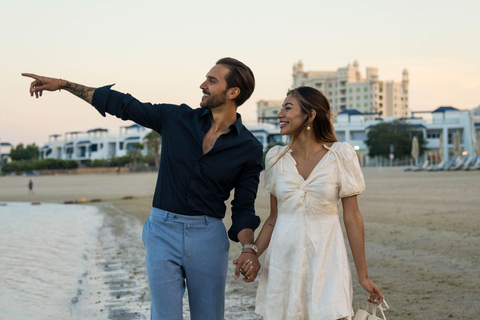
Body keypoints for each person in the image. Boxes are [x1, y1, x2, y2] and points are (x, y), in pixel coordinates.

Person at [22, 57, 263, 320]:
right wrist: (64, 84)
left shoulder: (249, 148)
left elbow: (242, 207)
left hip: (208, 237)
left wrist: (248, 249)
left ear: (233, 92)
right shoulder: (175, 118)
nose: (202, 85)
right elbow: (124, 105)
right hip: (162, 231)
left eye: (212, 80)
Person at [238, 87, 383, 320]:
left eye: (287, 108)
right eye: (280, 108)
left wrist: (363, 277)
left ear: (311, 115)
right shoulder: (275, 157)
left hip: (327, 260)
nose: (279, 115)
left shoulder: (340, 155)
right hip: (283, 261)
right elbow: (275, 217)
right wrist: (252, 252)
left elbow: (352, 217)